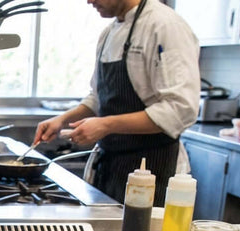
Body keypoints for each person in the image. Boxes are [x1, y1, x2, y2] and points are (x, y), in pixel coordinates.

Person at [34, 0, 199, 206]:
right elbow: (98, 97)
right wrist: (63, 119)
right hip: (111, 167)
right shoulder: (108, 34)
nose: (88, 1)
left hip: (153, 169)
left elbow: (179, 109)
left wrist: (106, 125)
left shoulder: (165, 26)